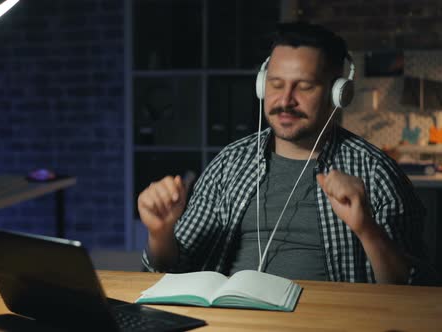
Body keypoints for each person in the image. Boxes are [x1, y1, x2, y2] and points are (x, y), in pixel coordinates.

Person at [137, 22, 427, 284]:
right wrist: (160, 232)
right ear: (262, 86)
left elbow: (412, 290)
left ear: (338, 92)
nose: (285, 100)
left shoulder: (375, 172)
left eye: (304, 87)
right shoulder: (229, 163)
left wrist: (367, 229)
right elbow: (170, 271)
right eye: (276, 84)